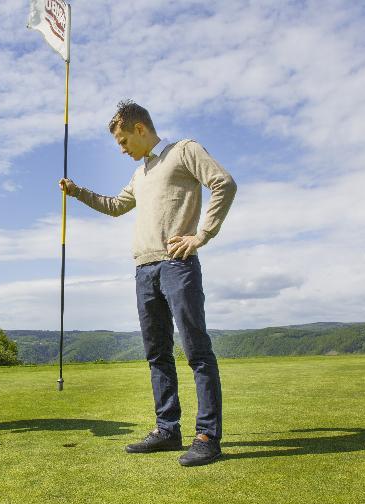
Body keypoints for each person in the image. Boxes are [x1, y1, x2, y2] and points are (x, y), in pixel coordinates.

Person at [59, 100, 237, 466]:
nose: (121, 149)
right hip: (144, 270)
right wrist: (77, 191)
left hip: (177, 264)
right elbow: (113, 206)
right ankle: (167, 430)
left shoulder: (183, 151)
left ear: (139, 129)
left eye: (123, 141)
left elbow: (223, 183)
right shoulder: (140, 175)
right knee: (157, 354)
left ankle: (207, 436)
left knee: (196, 351)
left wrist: (201, 235)